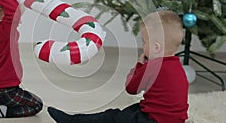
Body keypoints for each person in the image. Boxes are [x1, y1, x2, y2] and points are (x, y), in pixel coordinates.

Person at [47, 10, 189, 123]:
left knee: (112, 116)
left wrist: (139, 65)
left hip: (152, 119)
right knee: (130, 111)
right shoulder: (178, 68)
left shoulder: (153, 67)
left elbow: (131, 88)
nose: (143, 46)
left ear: (156, 48)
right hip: (171, 119)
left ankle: (75, 120)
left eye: (144, 42)